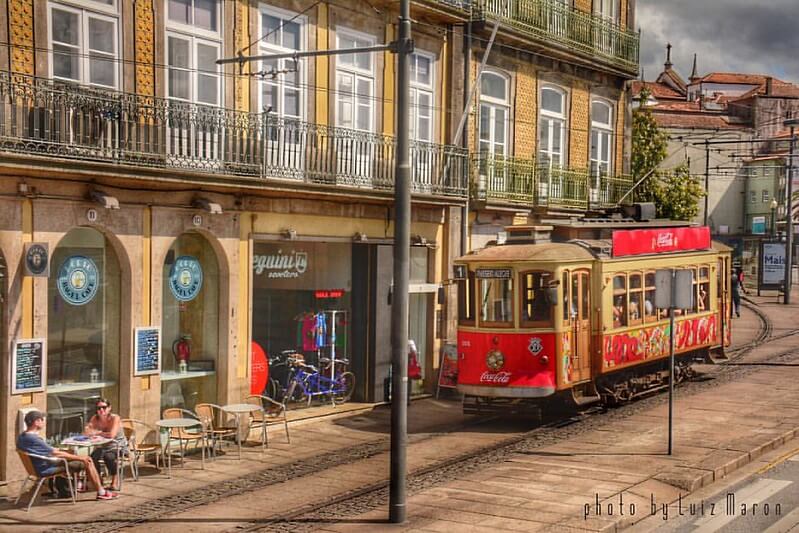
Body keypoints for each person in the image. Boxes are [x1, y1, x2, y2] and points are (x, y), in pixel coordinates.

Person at [17, 410, 117, 500]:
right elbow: (56, 453)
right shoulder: (34, 439)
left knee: (71, 454)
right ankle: (101, 492)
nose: (44, 422)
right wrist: (80, 458)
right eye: (42, 420)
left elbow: (47, 451)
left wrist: (64, 452)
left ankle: (75, 485)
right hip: (47, 468)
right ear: (36, 422)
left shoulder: (22, 437)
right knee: (88, 460)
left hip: (39, 466)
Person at [84, 398, 128, 491]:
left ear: (109, 408)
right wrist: (90, 430)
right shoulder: (95, 418)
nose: (101, 410)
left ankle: (115, 480)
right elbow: (86, 432)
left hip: (117, 446)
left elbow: (112, 435)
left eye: (104, 407)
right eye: (99, 408)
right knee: (91, 458)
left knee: (109, 457)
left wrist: (97, 432)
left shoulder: (115, 418)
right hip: (103, 446)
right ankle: (99, 480)